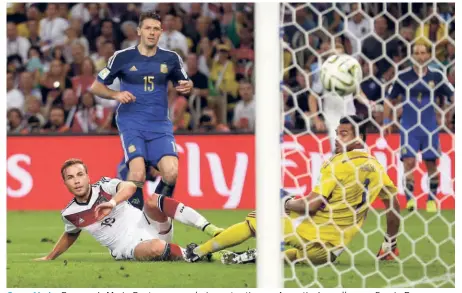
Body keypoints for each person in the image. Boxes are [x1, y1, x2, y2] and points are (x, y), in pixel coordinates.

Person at [186, 116, 401, 265]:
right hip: (330, 253)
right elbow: (394, 206)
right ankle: (251, 257)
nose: (337, 138)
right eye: (336, 133)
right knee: (295, 254)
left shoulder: (336, 164)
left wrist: (286, 202)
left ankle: (196, 252)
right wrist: (389, 244)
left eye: (344, 134)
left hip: (310, 236)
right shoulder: (377, 167)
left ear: (360, 138)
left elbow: (311, 206)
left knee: (256, 221)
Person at [90, 11, 193, 209]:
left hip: (159, 124)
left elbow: (185, 82)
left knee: (171, 173)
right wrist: (115, 95)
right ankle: (135, 222)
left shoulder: (171, 58)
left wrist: (188, 85)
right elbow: (96, 86)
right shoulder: (122, 57)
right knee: (137, 173)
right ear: (139, 31)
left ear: (161, 32)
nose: (152, 32)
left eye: (156, 29)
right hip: (132, 122)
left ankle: (156, 213)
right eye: (148, 28)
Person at [34, 159, 222, 262]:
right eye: (70, 177)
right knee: (155, 247)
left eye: (80, 175)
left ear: (88, 176)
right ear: (65, 183)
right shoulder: (70, 213)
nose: (76, 180)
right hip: (127, 246)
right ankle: (201, 253)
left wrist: (112, 203)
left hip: (147, 224)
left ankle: (212, 229)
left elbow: (130, 187)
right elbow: (70, 234)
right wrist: (49, 257)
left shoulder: (105, 186)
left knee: (152, 200)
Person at [384, 44, 454, 213]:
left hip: (429, 127)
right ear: (412, 55)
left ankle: (431, 200)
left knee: (431, 164)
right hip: (409, 127)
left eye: (423, 53)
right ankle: (410, 201)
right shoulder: (403, 76)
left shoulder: (437, 76)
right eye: (416, 53)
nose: (420, 56)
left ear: (429, 55)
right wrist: (387, 120)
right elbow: (388, 99)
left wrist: (447, 114)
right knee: (409, 162)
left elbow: (453, 96)